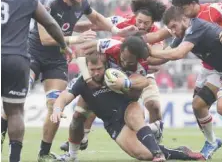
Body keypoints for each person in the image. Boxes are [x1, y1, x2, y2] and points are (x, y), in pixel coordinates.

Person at [14, 0, 136, 161]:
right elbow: (46, 38)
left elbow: (95, 18)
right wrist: (75, 39)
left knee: (53, 104)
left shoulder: (82, 3)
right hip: (33, 55)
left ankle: (44, 154)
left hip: (56, 61)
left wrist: (115, 30)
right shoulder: (49, 2)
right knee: (18, 97)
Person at [60, 0, 167, 152]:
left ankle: (155, 140)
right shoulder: (122, 21)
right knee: (92, 99)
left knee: (154, 105)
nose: (142, 25)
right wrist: (72, 24)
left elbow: (158, 57)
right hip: (114, 68)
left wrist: (144, 57)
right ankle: (82, 137)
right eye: (139, 21)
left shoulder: (156, 34)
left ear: (152, 22)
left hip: (138, 71)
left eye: (146, 23)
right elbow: (96, 24)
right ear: (134, 16)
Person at [51, 53, 204, 162]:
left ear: (104, 65)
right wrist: (57, 109)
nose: (96, 73)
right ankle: (182, 152)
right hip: (112, 123)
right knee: (143, 155)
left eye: (99, 68)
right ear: (87, 69)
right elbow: (64, 96)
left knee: (135, 118)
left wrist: (126, 84)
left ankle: (158, 152)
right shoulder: (82, 82)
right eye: (92, 70)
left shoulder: (114, 73)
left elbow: (142, 80)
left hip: (127, 107)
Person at [170, 0, 222, 159]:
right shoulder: (185, 21)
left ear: (192, 4)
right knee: (198, 106)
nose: (180, 12)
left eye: (182, 8)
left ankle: (212, 142)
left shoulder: (213, 9)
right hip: (209, 68)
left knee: (216, 106)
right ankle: (212, 142)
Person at [150, 6, 222, 136]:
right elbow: (164, 56)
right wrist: (141, 57)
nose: (173, 32)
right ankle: (211, 142)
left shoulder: (196, 27)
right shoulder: (182, 35)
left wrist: (151, 51)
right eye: (171, 29)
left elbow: (177, 54)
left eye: (174, 26)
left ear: (184, 19)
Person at [1, 0, 70, 161]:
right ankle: (14, 159)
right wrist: (64, 45)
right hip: (16, 58)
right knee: (15, 111)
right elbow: (51, 24)